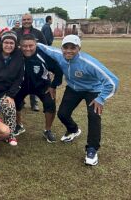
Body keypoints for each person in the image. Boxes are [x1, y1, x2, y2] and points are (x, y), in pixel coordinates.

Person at [37, 35, 119, 166]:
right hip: (73, 89)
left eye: (73, 48)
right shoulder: (58, 54)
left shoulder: (88, 63)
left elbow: (112, 81)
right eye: (66, 47)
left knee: (94, 116)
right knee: (62, 114)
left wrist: (101, 98)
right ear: (61, 48)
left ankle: (92, 149)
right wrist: (26, 44)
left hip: (93, 90)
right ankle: (73, 130)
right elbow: (44, 47)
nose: (68, 51)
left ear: (79, 48)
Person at [14, 34, 63, 143]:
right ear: (20, 46)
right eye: (24, 46)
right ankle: (19, 125)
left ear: (36, 44)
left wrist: (53, 85)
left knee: (50, 103)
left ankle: (48, 130)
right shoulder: (16, 54)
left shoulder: (44, 55)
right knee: (15, 102)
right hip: (22, 85)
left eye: (31, 46)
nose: (27, 48)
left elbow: (58, 70)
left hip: (42, 85)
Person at [15, 13, 48, 112]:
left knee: (34, 80)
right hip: (21, 61)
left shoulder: (38, 33)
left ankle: (34, 103)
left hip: (35, 61)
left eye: (28, 19)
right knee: (22, 82)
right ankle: (21, 102)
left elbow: (45, 47)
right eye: (24, 20)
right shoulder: (16, 33)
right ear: (22, 21)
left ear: (32, 20)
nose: (26, 21)